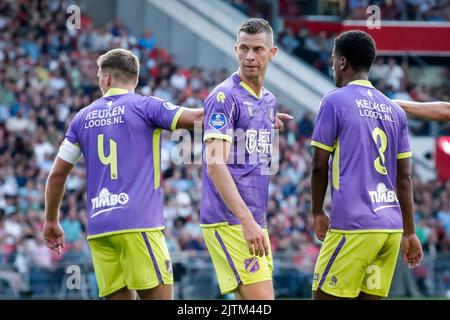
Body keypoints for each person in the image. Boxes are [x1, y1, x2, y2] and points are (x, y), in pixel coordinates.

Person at [43, 48, 203, 300]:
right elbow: (199, 118)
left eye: (98, 76)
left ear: (106, 78)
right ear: (135, 79)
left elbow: (57, 175)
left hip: (100, 228)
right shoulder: (145, 106)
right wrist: (252, 118)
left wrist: (51, 220)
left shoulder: (82, 118)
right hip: (138, 224)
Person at [310, 30, 423, 300]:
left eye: (333, 59)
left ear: (343, 62)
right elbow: (404, 180)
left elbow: (318, 166)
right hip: (390, 228)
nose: (332, 65)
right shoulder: (394, 110)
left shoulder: (334, 100)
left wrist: (317, 211)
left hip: (353, 225)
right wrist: (410, 232)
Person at [200, 18, 279, 300]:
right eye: (243, 48)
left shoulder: (268, 101)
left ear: (272, 53)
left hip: (254, 218)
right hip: (230, 218)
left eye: (257, 50)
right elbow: (214, 163)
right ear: (235, 49)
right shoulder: (223, 96)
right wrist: (246, 220)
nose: (249, 56)